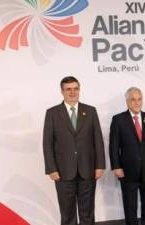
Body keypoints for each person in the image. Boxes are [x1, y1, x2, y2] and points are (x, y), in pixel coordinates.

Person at [43, 76, 105, 225]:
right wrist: (51, 168)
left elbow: (98, 140)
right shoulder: (52, 113)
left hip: (88, 171)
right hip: (63, 172)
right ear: (62, 91)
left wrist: (100, 166)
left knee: (87, 213)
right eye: (68, 89)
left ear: (79, 90)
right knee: (67, 214)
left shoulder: (90, 111)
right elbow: (47, 143)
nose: (72, 92)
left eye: (75, 88)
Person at [109, 87, 145, 225]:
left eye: (139, 99)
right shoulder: (118, 119)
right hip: (127, 171)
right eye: (133, 99)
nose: (137, 102)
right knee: (130, 206)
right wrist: (116, 166)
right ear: (127, 102)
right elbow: (113, 145)